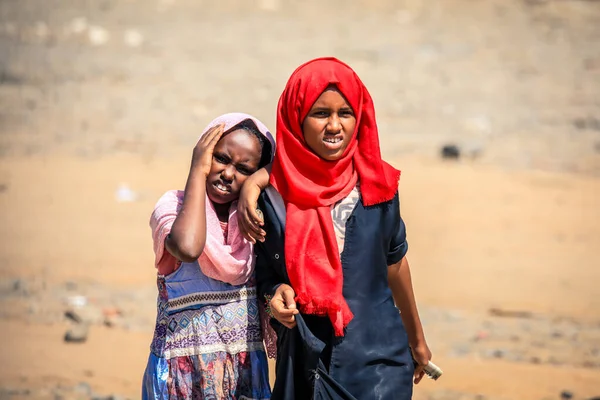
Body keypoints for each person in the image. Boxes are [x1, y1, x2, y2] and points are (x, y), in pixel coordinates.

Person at [237, 58, 433, 399]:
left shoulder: (378, 187)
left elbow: (395, 264)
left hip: (379, 363)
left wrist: (417, 340)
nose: (334, 125)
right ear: (297, 118)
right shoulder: (270, 198)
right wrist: (273, 299)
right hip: (305, 366)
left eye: (345, 113)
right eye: (320, 113)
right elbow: (265, 272)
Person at [142, 113, 274, 400]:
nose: (228, 173)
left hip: (243, 379)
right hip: (182, 381)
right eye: (221, 159)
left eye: (244, 169)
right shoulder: (173, 210)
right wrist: (197, 172)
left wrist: (256, 186)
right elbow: (189, 248)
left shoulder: (255, 224)